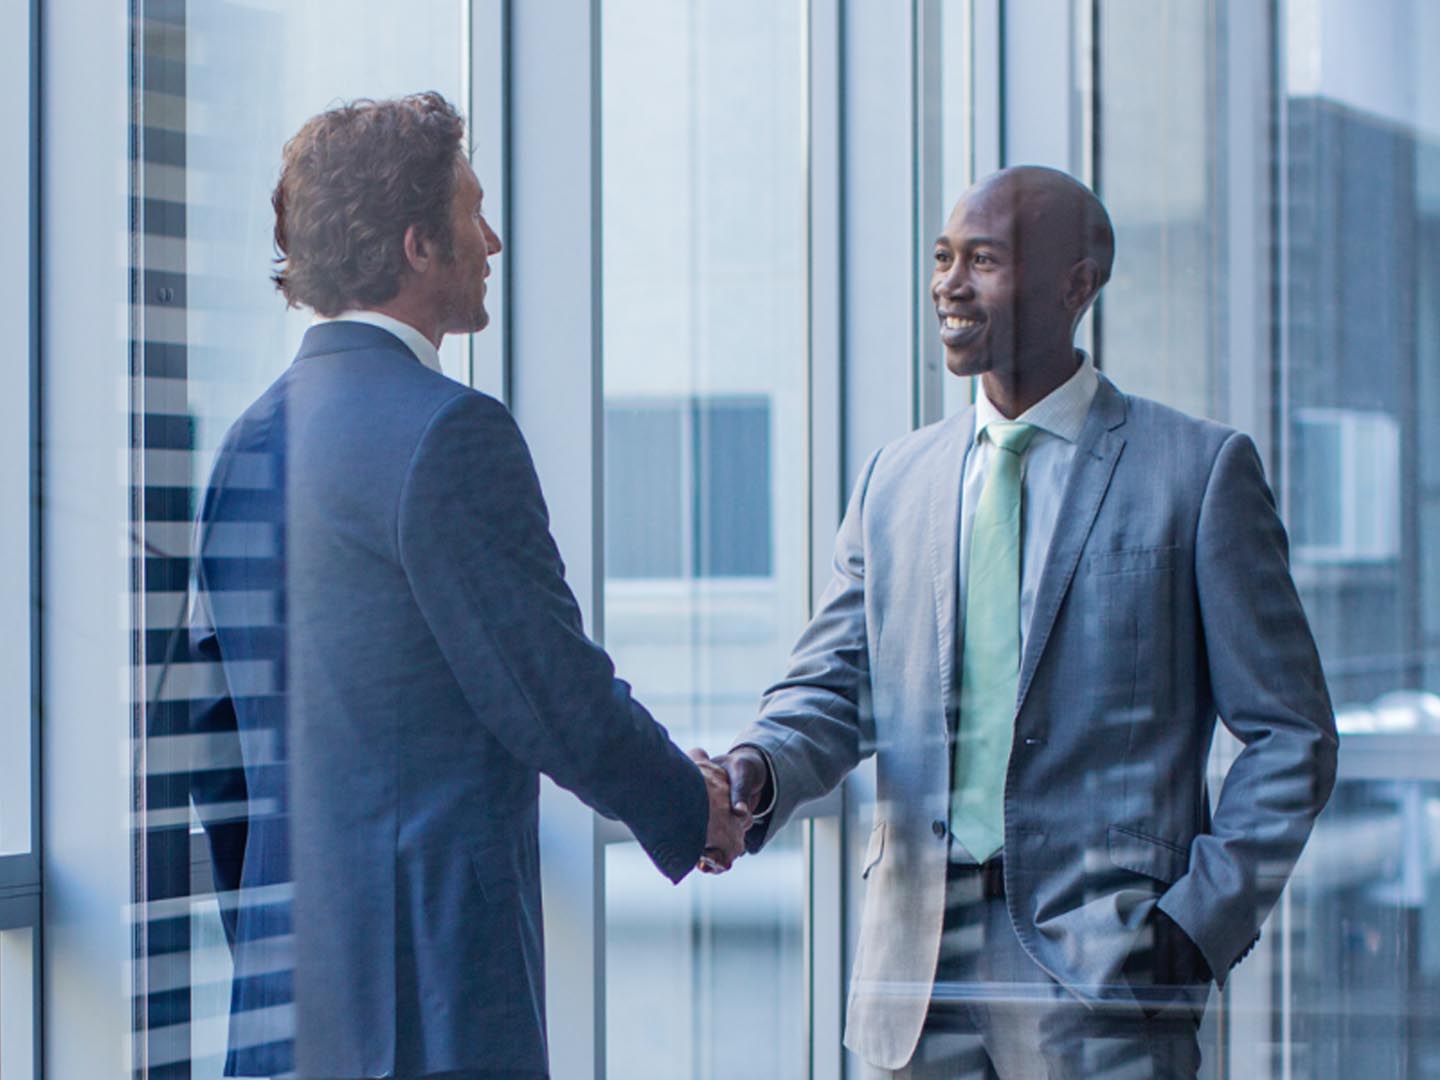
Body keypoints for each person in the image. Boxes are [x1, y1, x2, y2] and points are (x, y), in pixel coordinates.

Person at [702, 165, 1338, 1078]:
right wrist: (753, 769)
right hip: (913, 973)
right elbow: (835, 688)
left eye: (984, 261)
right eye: (942, 258)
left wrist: (1194, 929)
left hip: (1107, 972)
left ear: (1077, 285)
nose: (949, 285)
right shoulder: (897, 480)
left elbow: (1292, 734)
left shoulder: (1197, 475)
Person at [188, 92, 747, 1080]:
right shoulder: (451, 433)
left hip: (286, 997)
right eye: (472, 214)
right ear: (417, 246)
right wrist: (686, 803)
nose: (492, 240)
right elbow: (548, 689)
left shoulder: (246, 444)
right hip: (429, 990)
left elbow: (215, 746)